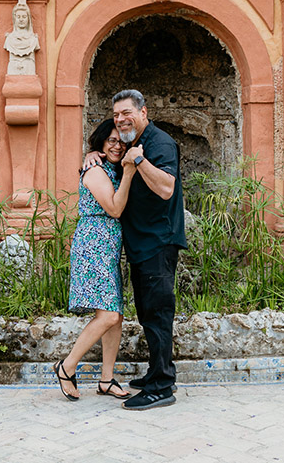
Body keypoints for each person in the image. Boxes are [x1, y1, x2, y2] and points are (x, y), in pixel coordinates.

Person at [86, 89, 187, 410]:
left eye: (126, 113)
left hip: (159, 241)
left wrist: (140, 160)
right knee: (147, 312)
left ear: (143, 112)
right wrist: (90, 156)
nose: (120, 119)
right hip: (141, 242)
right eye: (116, 115)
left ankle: (162, 386)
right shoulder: (130, 143)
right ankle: (156, 372)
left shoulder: (158, 144)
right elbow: (111, 160)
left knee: (158, 314)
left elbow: (166, 187)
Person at [54, 119, 136, 401]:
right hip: (94, 245)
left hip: (108, 245)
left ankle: (106, 380)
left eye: (121, 141)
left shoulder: (106, 167)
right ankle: (66, 367)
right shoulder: (95, 170)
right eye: (111, 140)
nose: (117, 145)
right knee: (108, 315)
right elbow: (113, 208)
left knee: (116, 316)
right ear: (100, 143)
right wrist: (128, 172)